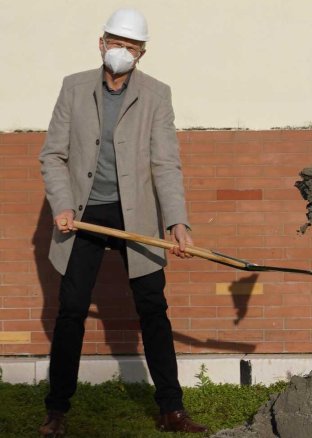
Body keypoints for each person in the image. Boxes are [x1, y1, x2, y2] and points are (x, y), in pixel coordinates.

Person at [37, 8, 208, 434]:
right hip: (83, 215)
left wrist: (177, 222)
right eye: (116, 42)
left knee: (153, 308)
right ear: (101, 43)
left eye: (131, 47)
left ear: (142, 54)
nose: (121, 52)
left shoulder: (157, 94)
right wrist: (61, 204)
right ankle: (56, 410)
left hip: (137, 215)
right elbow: (53, 155)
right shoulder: (73, 88)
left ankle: (172, 410)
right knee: (72, 309)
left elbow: (166, 164)